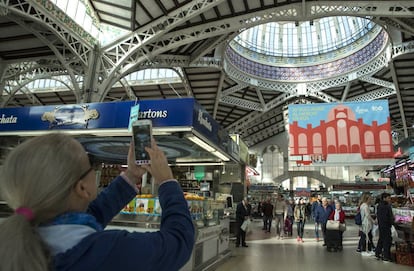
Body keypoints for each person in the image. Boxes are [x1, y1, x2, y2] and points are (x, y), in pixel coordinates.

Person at [0, 133, 195, 271]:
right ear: (82, 188)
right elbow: (179, 242)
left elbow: (89, 217)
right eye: (90, 163)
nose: (95, 169)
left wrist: (131, 175)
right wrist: (167, 181)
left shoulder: (18, 241)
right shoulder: (110, 251)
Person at [375, 192, 394, 262]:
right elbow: (388, 217)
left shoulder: (379, 205)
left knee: (381, 239)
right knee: (387, 241)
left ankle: (378, 253)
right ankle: (386, 256)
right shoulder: (387, 206)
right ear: (384, 198)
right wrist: (392, 222)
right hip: (386, 225)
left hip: (381, 225)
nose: (390, 199)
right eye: (388, 198)